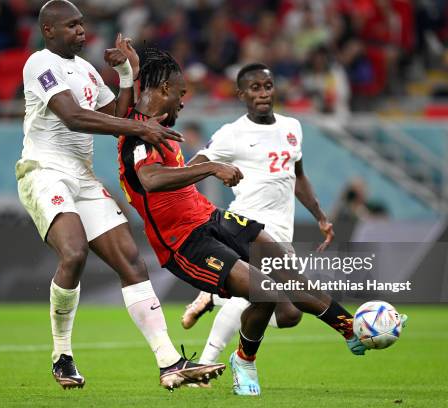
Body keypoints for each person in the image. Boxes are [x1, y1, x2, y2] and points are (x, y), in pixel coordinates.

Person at [117, 49, 369, 396]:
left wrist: (128, 69)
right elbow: (151, 180)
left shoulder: (156, 125)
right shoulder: (136, 137)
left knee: (288, 275)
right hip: (184, 242)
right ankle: (244, 360)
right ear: (162, 91)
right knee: (266, 291)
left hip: (213, 217)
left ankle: (351, 328)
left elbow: (129, 100)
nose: (183, 103)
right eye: (181, 94)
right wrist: (210, 167)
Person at [15, 0, 223, 392]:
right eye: (73, 26)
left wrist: (128, 73)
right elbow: (74, 116)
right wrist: (143, 131)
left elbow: (121, 118)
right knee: (74, 252)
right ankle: (62, 354)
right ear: (49, 31)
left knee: (131, 261)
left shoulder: (87, 70)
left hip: (83, 176)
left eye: (82, 25)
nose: (81, 32)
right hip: (44, 171)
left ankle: (170, 364)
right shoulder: (40, 64)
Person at [180, 62, 340, 366]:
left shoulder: (292, 127)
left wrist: (320, 216)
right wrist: (185, 183)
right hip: (247, 227)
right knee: (256, 292)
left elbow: (299, 177)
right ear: (241, 94)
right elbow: (194, 165)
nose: (263, 93)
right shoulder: (232, 133)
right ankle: (205, 364)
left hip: (281, 231)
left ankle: (213, 296)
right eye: (255, 88)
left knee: (290, 314)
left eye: (268, 86)